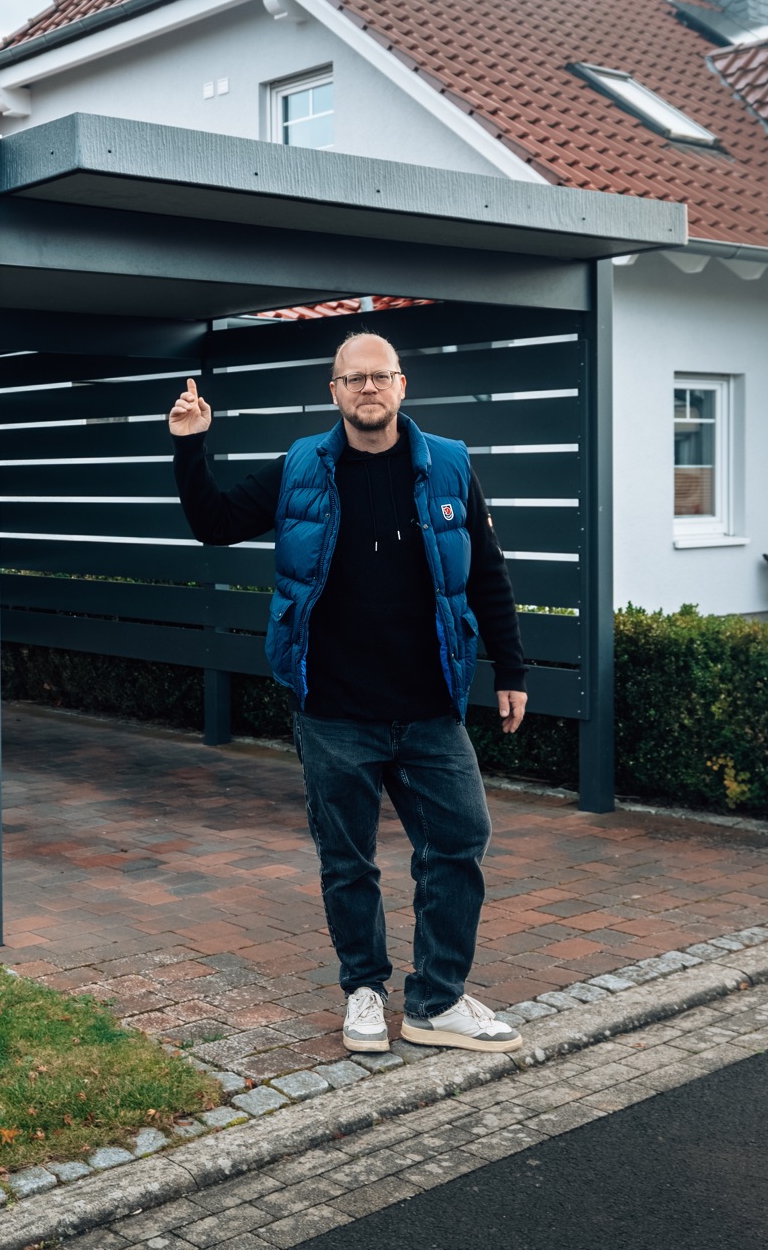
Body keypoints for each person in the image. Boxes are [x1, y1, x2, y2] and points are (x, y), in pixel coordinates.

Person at [167, 331, 528, 1055]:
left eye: (381, 376)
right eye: (353, 378)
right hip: (333, 709)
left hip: (430, 706)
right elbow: (214, 525)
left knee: (460, 841)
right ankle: (364, 988)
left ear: (402, 386)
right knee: (348, 858)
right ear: (333, 392)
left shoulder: (450, 465)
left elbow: (485, 570)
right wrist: (189, 446)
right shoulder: (301, 466)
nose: (368, 388)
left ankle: (436, 1001)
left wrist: (511, 669)